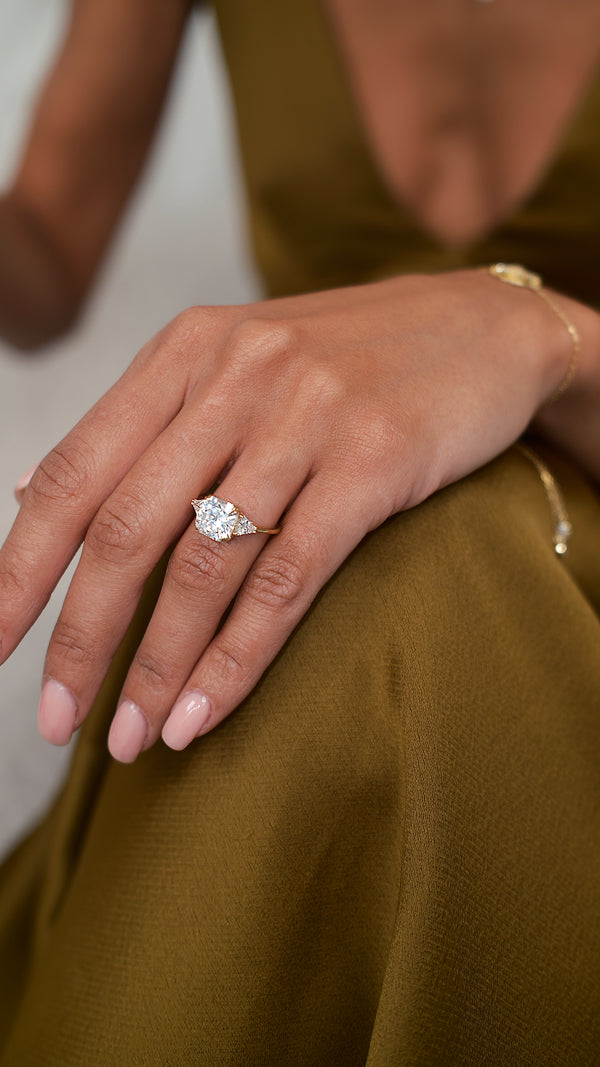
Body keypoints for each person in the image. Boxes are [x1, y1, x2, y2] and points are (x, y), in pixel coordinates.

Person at [0, 0, 599, 1062]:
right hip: (282, 537)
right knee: (323, 563)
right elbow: (45, 240)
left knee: (424, 564)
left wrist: (536, 334)